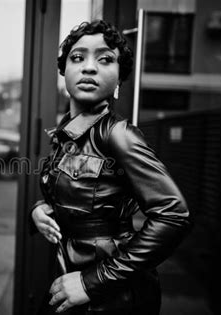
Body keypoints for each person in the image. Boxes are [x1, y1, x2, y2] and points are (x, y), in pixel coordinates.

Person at [30, 20, 192, 315]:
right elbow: (77, 197)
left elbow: (174, 215)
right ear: (64, 71)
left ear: (119, 80)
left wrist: (92, 282)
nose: (89, 67)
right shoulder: (65, 134)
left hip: (114, 296)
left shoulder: (118, 134)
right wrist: (39, 211)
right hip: (69, 280)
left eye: (105, 59)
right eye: (77, 57)